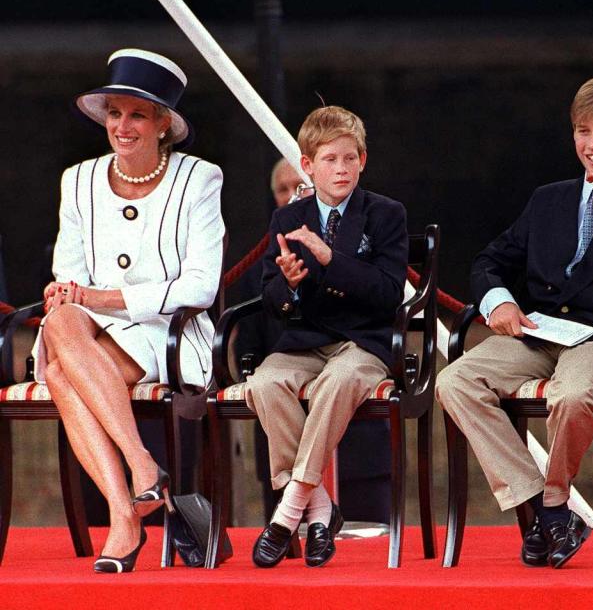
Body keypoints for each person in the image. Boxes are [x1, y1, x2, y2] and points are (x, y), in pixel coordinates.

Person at [437, 75, 593, 568]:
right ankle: (538, 507)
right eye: (582, 131)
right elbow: (489, 261)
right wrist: (500, 303)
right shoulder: (548, 198)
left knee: (571, 395)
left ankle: (554, 502)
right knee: (455, 380)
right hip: (540, 330)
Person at [36, 49, 225, 573]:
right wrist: (66, 294)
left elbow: (200, 287)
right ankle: (139, 474)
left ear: (164, 124)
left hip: (168, 329)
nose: (122, 126)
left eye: (137, 114)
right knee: (60, 320)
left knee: (59, 374)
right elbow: (67, 274)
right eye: (115, 113)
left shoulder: (200, 179)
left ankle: (128, 514)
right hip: (89, 331)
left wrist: (100, 298)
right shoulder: (77, 180)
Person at [244, 106, 407, 568]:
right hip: (305, 340)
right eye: (330, 160)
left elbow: (389, 293)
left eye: (349, 158)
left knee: (340, 379)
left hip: (364, 341)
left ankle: (291, 509)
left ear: (363, 160)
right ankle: (320, 509)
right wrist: (290, 284)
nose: (341, 169)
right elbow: (269, 301)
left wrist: (331, 259)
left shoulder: (385, 214)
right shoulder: (286, 219)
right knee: (264, 383)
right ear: (307, 166)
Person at [234, 159, 392, 527]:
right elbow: (252, 347)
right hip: (284, 417)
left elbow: (383, 299)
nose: (292, 196)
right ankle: (313, 503)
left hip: (358, 432)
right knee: (266, 382)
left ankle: (302, 503)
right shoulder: (262, 268)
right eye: (282, 189)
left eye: (300, 187)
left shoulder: (366, 237)